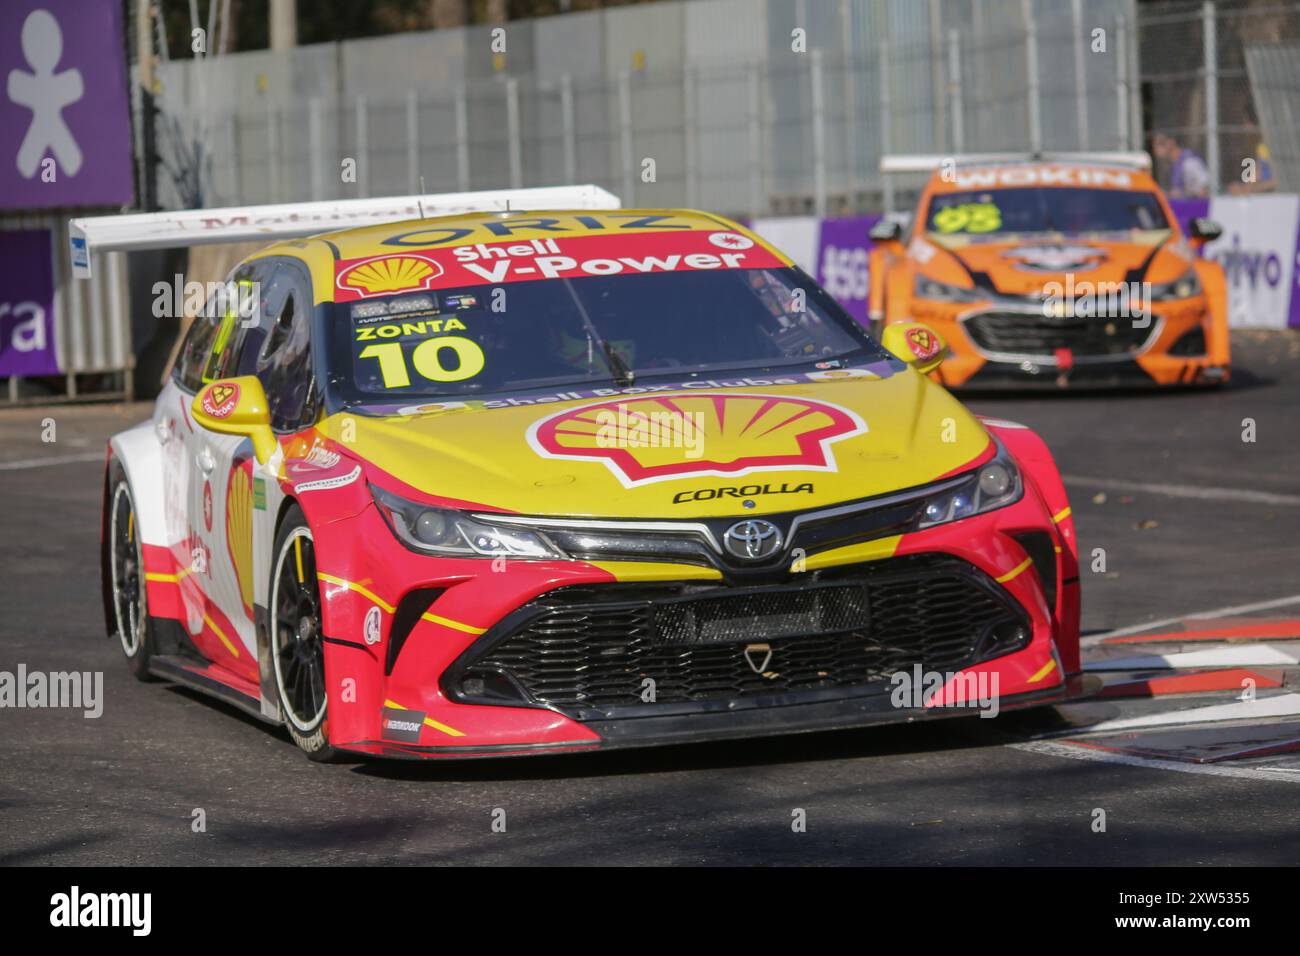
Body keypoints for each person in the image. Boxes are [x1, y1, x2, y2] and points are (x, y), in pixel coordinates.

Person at [1152, 133, 1211, 198]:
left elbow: (1204, 191)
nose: (1156, 149)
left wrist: (1181, 194)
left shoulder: (1190, 163)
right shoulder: (1173, 165)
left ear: (1171, 143)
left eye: (1160, 144)